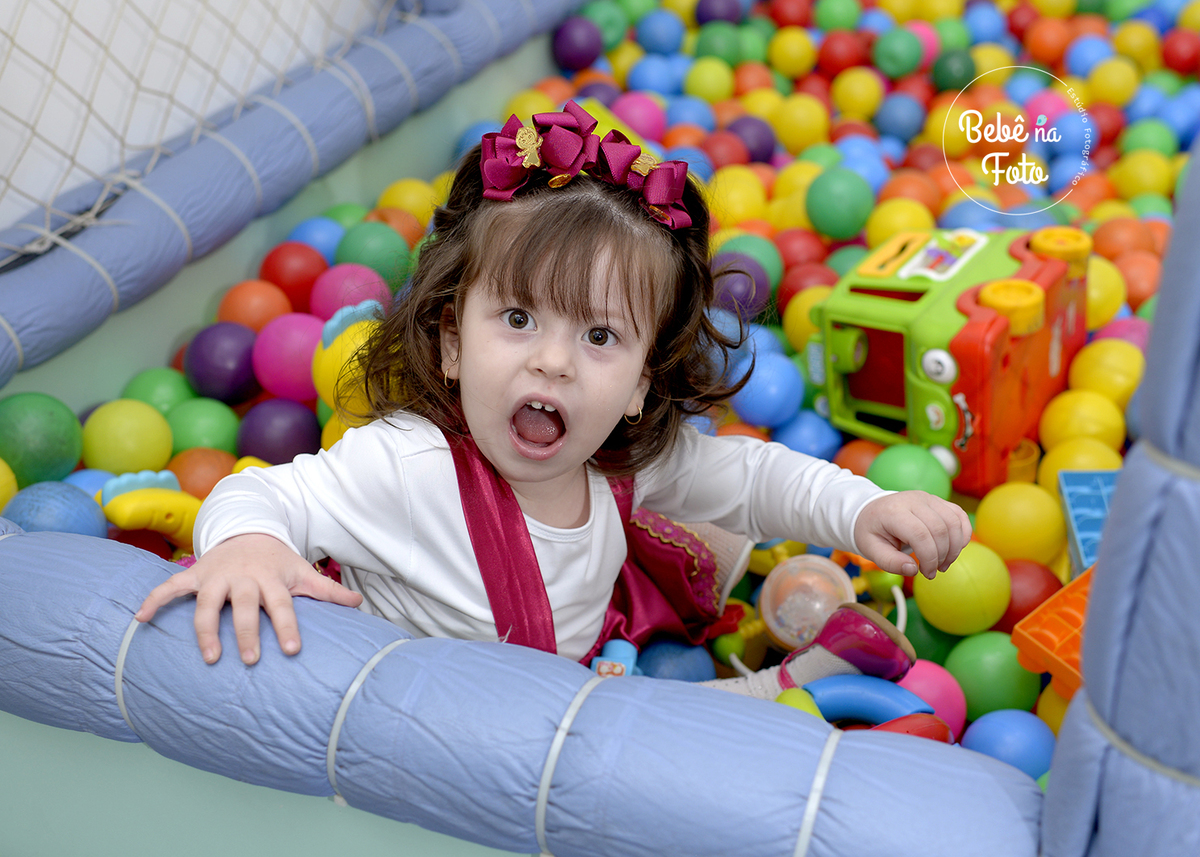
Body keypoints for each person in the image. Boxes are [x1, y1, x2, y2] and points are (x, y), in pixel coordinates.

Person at [136, 102, 971, 700]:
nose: (553, 361)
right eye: (518, 317)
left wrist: (864, 510)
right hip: (443, 715)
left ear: (643, 380)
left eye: (600, 338)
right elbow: (263, 489)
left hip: (577, 671)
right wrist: (245, 548)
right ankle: (796, 682)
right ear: (453, 340)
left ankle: (799, 667)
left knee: (719, 524)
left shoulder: (620, 455)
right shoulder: (408, 464)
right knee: (658, 729)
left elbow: (754, 476)